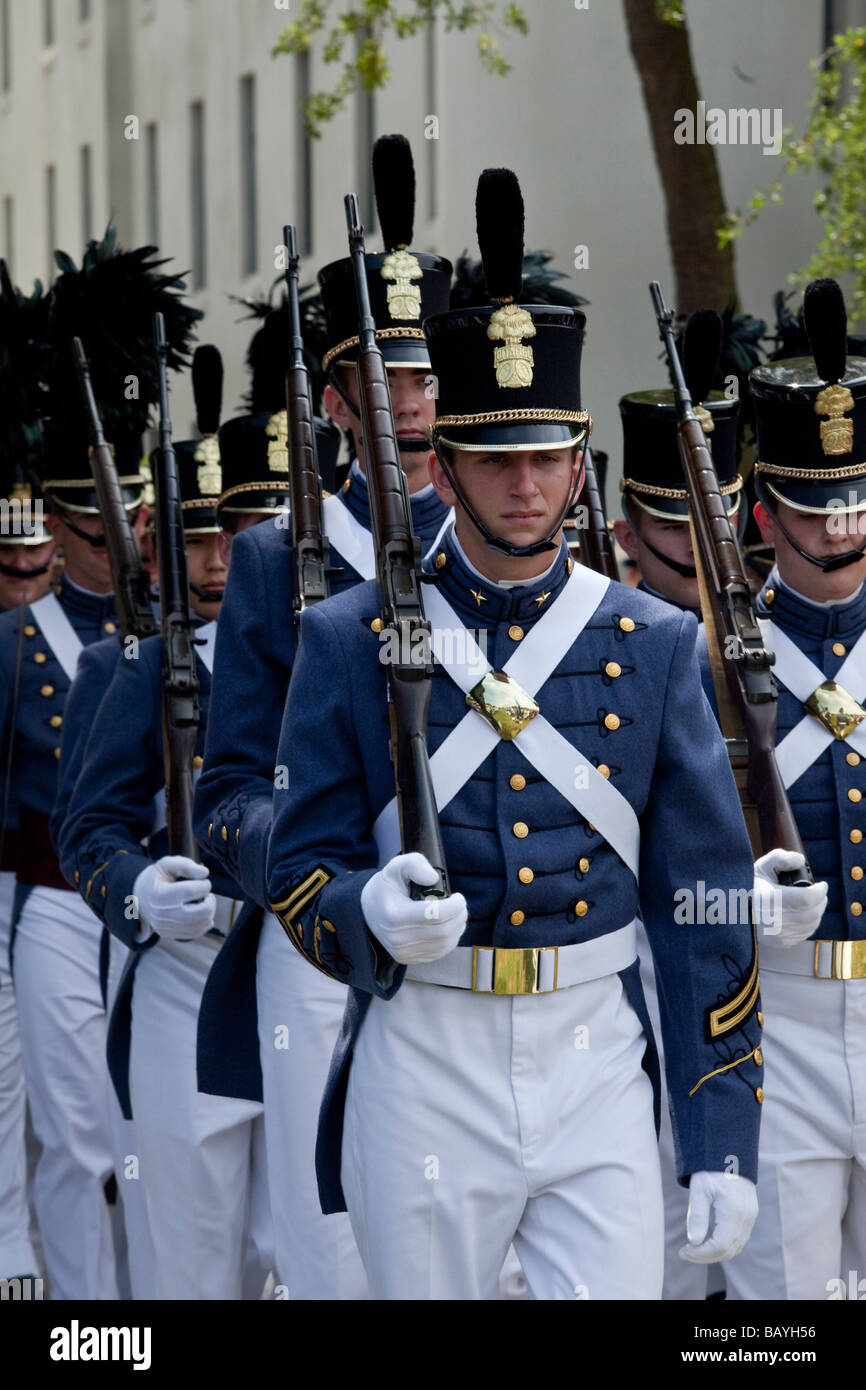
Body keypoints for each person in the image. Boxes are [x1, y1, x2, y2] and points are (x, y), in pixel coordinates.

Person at [265, 168, 764, 1300]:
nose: (528, 485)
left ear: (579, 458)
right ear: (439, 466)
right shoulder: (348, 637)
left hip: (595, 1050)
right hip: (424, 1051)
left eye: (547, 457)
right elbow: (296, 861)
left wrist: (720, 1124)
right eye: (496, 459)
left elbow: (702, 901)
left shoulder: (649, 640)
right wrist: (361, 912)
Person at [194, 133, 453, 1300]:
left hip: (482, 922)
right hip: (320, 929)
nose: (415, 405)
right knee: (332, 1249)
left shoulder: (514, 547)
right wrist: (304, 867)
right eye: (389, 382)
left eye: (431, 377)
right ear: (336, 401)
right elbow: (229, 792)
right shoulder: (269, 558)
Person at [1, 228, 197, 1300]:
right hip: (56, 900)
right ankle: (87, 1321)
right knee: (76, 1130)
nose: (113, 539)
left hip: (169, 892)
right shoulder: (17, 638)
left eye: (131, 517)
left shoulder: (180, 630)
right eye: (92, 521)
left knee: (156, 1127)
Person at [59, 375, 274, 1299]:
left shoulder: (356, 647)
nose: (234, 557)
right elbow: (93, 824)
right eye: (224, 534)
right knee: (187, 1268)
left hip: (325, 973)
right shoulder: (148, 661)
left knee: (323, 1265)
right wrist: (137, 890)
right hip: (193, 974)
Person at [722, 278, 866, 1301]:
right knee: (780, 1313)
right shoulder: (701, 662)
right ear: (766, 513)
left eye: (856, 503)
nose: (839, 530)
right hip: (776, 1015)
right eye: (815, 509)